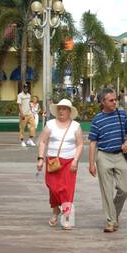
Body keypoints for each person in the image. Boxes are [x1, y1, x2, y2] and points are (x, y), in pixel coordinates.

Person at [87, 87, 127, 233]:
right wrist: (91, 163)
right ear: (103, 102)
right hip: (103, 156)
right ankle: (110, 221)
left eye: (116, 99)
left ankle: (114, 214)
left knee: (124, 189)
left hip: (120, 155)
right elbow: (93, 142)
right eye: (111, 100)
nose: (115, 102)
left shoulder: (122, 114)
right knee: (106, 191)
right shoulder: (97, 120)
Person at [37, 98, 84, 229]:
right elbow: (43, 142)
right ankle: (56, 209)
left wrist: (75, 160)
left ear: (69, 111)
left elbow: (80, 145)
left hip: (69, 162)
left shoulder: (76, 126)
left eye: (64, 109)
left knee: (67, 190)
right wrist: (40, 158)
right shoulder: (50, 124)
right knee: (53, 188)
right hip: (52, 162)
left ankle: (67, 217)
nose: (61, 111)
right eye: (59, 109)